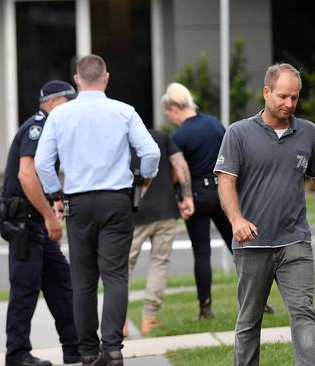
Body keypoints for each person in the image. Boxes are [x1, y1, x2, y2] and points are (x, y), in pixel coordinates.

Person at [35, 55, 160, 366]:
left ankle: (88, 351)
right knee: (116, 275)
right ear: (106, 78)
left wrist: (55, 194)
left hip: (78, 202)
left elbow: (41, 162)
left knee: (83, 280)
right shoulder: (124, 111)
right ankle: (113, 348)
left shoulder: (60, 115)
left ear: (77, 80)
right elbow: (151, 152)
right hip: (116, 200)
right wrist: (143, 178)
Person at [215, 63, 315, 366]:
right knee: (249, 320)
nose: (289, 104)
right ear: (266, 92)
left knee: (304, 315)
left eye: (294, 98)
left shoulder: (308, 132)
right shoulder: (238, 133)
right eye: (283, 96)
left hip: (294, 241)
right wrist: (236, 220)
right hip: (252, 243)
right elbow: (225, 180)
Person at [0, 80, 80, 366]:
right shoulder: (39, 126)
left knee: (60, 282)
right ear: (54, 102)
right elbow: (27, 175)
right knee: (25, 288)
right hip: (24, 223)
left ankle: (75, 348)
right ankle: (17, 355)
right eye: (71, 103)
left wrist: (53, 202)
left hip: (34, 222)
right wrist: (47, 215)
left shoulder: (50, 126)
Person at [161, 82, 235, 319]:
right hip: (222, 193)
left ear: (174, 108)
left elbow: (176, 172)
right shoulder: (214, 124)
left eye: (169, 114)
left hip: (196, 197)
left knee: (202, 253)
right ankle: (259, 299)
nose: (171, 119)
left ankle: (205, 307)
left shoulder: (179, 136)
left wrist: (178, 198)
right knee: (238, 247)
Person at [127, 129, 194, 336]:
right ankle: (150, 318)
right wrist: (187, 196)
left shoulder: (119, 139)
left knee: (122, 266)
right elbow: (180, 164)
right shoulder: (161, 137)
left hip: (133, 212)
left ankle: (118, 320)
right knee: (159, 263)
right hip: (166, 210)